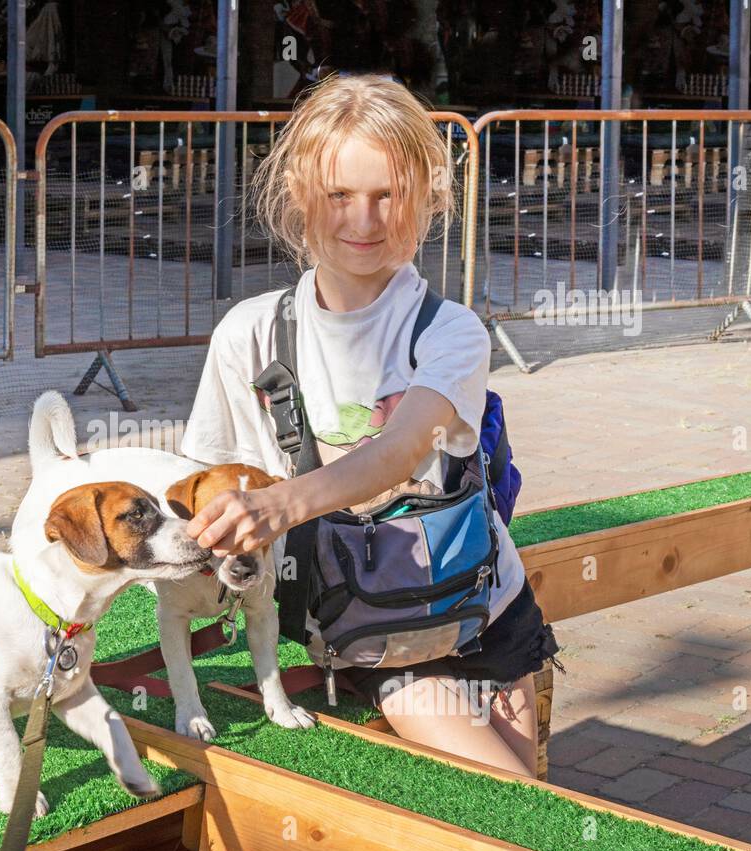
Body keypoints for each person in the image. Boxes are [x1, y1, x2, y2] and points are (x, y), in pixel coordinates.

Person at [178, 74, 562, 778]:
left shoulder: (450, 331)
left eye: (388, 195)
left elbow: (401, 449)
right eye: (341, 196)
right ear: (300, 194)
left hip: (484, 606)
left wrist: (276, 505)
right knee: (510, 792)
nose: (364, 220)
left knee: (527, 793)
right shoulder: (249, 335)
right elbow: (207, 478)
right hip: (373, 629)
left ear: (426, 196)